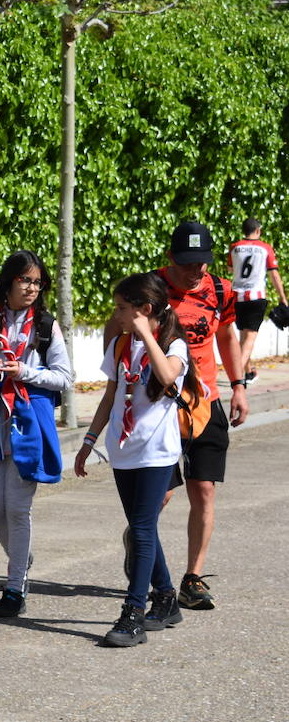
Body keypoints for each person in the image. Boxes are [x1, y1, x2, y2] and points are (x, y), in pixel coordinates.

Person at [105, 221, 248, 610]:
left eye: (203, 263)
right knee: (158, 499)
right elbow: (117, 325)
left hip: (204, 404)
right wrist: (120, 371)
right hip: (160, 406)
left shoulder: (220, 290)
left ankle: (192, 578)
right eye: (187, 264)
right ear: (171, 259)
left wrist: (239, 385)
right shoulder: (151, 289)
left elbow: (226, 338)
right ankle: (140, 541)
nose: (196, 271)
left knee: (203, 489)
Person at [76, 273, 192, 647]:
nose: (117, 315)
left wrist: (146, 336)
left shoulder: (173, 346)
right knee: (142, 528)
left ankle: (133, 614)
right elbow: (110, 397)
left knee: (141, 530)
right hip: (123, 450)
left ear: (145, 310)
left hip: (156, 453)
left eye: (123, 308)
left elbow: (167, 377)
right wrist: (89, 441)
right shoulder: (120, 345)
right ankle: (165, 598)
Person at [0, 251, 73, 617]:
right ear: (9, 281)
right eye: (24, 280)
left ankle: (15, 588)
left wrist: (25, 372)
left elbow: (64, 377)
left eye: (37, 282)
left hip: (30, 420)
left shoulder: (46, 325)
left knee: (17, 508)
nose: (31, 288)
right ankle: (21, 558)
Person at [227, 216, 286, 383]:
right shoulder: (265, 248)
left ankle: (249, 372)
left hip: (237, 296)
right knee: (250, 338)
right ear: (258, 230)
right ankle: (237, 377)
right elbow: (274, 274)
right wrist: (283, 298)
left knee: (243, 337)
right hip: (256, 296)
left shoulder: (235, 247)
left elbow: (230, 268)